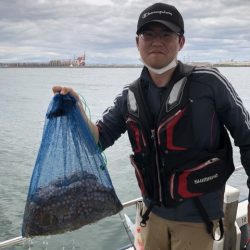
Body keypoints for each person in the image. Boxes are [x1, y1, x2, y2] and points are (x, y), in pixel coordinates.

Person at [53, 2, 250, 250]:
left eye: (166, 34)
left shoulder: (209, 82)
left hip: (197, 221)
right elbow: (98, 140)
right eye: (149, 34)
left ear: (181, 42)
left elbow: (247, 137)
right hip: (150, 216)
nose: (157, 41)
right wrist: (76, 109)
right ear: (138, 42)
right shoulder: (130, 96)